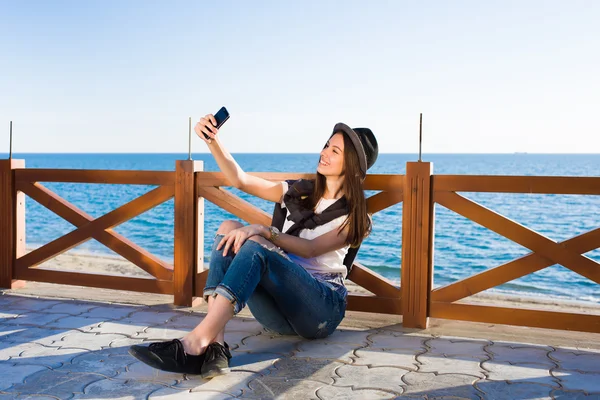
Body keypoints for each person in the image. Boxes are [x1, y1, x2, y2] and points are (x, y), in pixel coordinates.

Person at [129, 113, 378, 378]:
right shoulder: (297, 192)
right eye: (327, 145)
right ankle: (215, 344)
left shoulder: (356, 216)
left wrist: (263, 231)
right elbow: (240, 180)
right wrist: (213, 140)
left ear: (352, 166)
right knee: (229, 229)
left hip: (320, 312)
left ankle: (195, 341)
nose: (324, 152)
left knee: (256, 244)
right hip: (279, 314)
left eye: (335, 150)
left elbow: (311, 249)